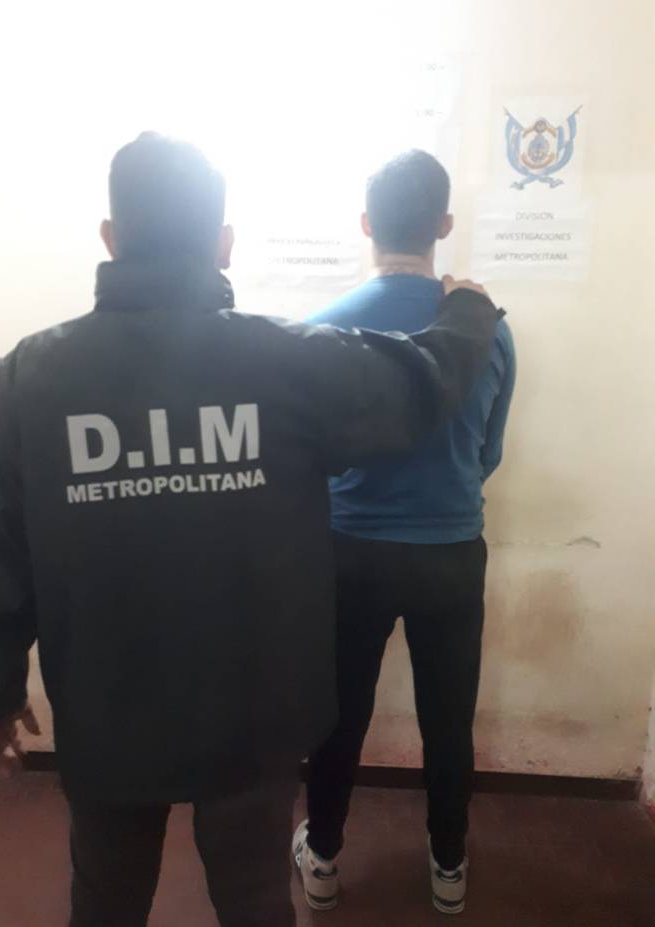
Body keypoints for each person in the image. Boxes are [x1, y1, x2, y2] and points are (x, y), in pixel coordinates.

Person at [0, 133, 501, 927]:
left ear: (109, 237)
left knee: (105, 902)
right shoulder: (287, 363)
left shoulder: (21, 383)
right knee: (254, 902)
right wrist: (470, 310)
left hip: (109, 711)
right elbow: (422, 385)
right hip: (255, 714)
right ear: (224, 243)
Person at [294, 150, 516, 916]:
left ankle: (323, 857)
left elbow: (309, 457)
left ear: (365, 224)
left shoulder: (321, 329)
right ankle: (449, 865)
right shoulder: (488, 330)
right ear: (444, 225)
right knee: (448, 720)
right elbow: (488, 453)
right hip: (450, 553)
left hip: (348, 554)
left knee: (337, 714)